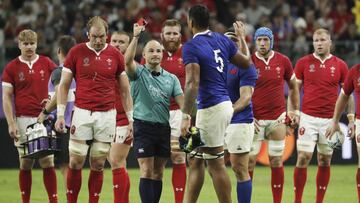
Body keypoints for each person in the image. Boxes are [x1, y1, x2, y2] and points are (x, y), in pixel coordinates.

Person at [181, 5, 251, 203]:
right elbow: (246, 62)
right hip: (221, 105)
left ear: (190, 22)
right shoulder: (221, 39)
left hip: (211, 107)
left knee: (216, 164)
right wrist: (243, 41)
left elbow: (192, 82)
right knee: (194, 159)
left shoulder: (191, 46)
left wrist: (185, 116)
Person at [55, 16, 129, 203]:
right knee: (75, 161)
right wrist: (60, 114)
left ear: (107, 35)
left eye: (101, 36)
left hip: (107, 116)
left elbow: (125, 89)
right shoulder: (76, 52)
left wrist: (131, 119)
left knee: (98, 164)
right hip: (82, 113)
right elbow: (63, 85)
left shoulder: (115, 55)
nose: (97, 40)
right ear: (88, 34)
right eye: (94, 36)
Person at [124, 21, 184, 203]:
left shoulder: (171, 79)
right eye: (151, 51)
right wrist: (135, 37)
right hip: (143, 126)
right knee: (146, 170)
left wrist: (190, 116)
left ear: (162, 54)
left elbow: (183, 103)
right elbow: (126, 61)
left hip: (163, 128)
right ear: (143, 55)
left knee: (158, 173)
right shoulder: (138, 73)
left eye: (158, 51)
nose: (155, 54)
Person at [293, 28, 350, 203]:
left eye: (322, 40)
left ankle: (319, 201)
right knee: (303, 157)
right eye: (316, 40)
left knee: (324, 160)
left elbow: (348, 93)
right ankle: (298, 200)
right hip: (308, 118)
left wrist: (351, 117)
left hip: (329, 121)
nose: (319, 43)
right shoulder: (303, 63)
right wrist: (293, 111)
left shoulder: (340, 65)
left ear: (330, 42)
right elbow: (294, 90)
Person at [2, 29, 58, 203]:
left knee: (47, 161)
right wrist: (11, 123)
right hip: (23, 119)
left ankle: (53, 201)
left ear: (37, 44)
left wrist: (50, 101)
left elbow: (59, 86)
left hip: (44, 118)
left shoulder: (47, 63)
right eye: (25, 44)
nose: (29, 47)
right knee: (26, 163)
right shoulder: (11, 67)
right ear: (19, 45)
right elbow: (6, 97)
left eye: (32, 43)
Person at [248, 27, 300, 203]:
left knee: (276, 161)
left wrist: (294, 111)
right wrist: (245, 114)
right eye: (259, 39)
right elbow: (238, 89)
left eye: (266, 39)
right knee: (249, 163)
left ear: (271, 41)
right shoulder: (248, 61)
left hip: (277, 119)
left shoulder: (283, 61)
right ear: (255, 41)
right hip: (254, 120)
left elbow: (293, 86)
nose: (262, 43)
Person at [37, 35, 77, 191]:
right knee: (74, 166)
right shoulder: (80, 74)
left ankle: (70, 198)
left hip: (63, 125)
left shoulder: (59, 72)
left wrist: (45, 111)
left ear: (58, 50)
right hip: (78, 123)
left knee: (65, 167)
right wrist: (50, 102)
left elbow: (61, 90)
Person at [224, 29, 258, 203]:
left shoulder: (246, 66)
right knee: (213, 166)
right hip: (217, 122)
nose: (231, 43)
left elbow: (245, 98)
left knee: (239, 168)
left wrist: (227, 112)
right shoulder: (214, 65)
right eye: (227, 40)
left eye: (235, 41)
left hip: (239, 120)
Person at [160, 19, 187, 203]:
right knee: (156, 162)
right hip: (157, 112)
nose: (171, 36)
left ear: (180, 35)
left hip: (180, 112)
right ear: (162, 34)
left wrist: (190, 113)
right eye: (168, 33)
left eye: (174, 33)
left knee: (179, 156)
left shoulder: (188, 52)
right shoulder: (153, 51)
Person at [325, 65, 357, 201]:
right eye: (316, 41)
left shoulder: (343, 66)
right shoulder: (355, 72)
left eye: (321, 40)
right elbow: (345, 95)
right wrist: (337, 121)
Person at [108, 31, 133, 203]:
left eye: (122, 42)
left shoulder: (131, 67)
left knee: (116, 160)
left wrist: (134, 120)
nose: (117, 44)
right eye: (114, 41)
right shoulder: (104, 65)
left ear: (128, 45)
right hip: (107, 118)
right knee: (118, 163)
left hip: (125, 119)